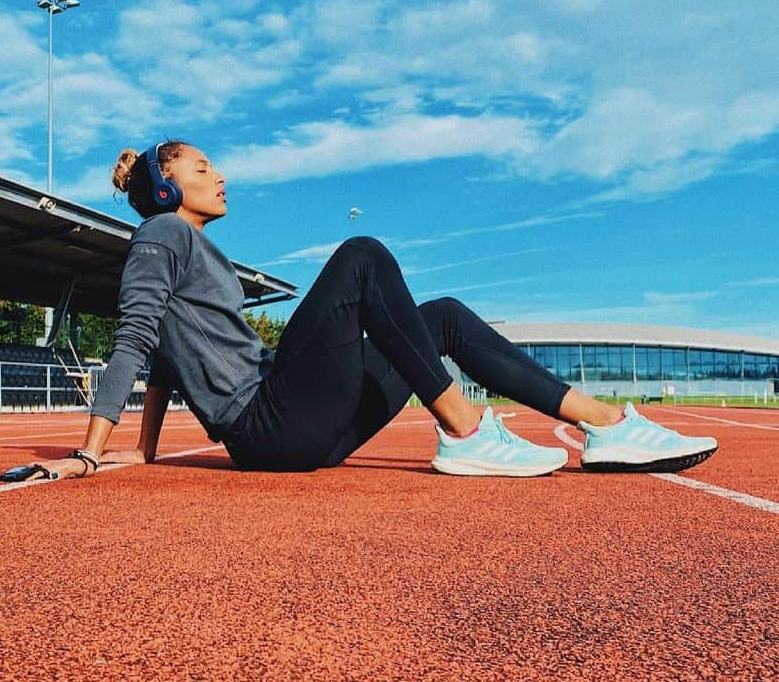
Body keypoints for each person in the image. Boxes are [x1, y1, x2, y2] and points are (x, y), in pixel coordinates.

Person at [38, 141, 717, 481]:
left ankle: (602, 426)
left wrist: (145, 449)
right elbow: (134, 336)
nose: (220, 176)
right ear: (165, 188)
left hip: (304, 436)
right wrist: (91, 454)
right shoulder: (161, 235)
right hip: (268, 422)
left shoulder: (191, 246)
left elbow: (164, 352)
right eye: (202, 168)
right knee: (361, 256)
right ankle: (465, 430)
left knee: (442, 315)